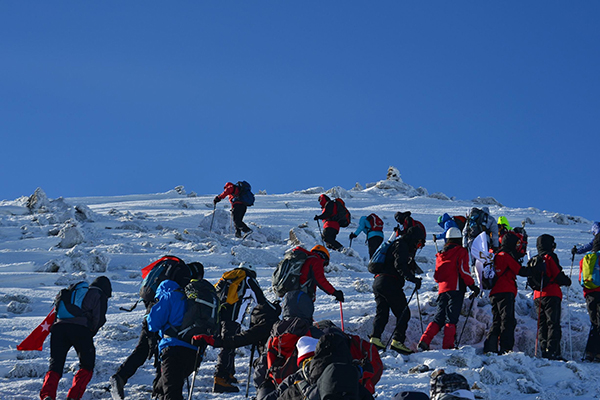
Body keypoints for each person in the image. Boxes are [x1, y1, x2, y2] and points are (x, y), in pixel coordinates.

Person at [109, 260, 204, 400]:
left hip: (154, 311)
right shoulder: (179, 289)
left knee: (147, 349)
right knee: (155, 351)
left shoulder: (172, 279)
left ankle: (124, 378)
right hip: (162, 318)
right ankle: (154, 391)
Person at [40, 276, 112, 400]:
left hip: (58, 329)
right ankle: (73, 397)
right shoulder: (98, 294)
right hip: (80, 330)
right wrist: (90, 332)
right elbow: (99, 319)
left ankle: (47, 395)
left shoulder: (77, 293)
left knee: (55, 365)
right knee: (86, 365)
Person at [418, 228, 479, 351]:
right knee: (451, 319)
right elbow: (464, 271)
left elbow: (436, 277)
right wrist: (473, 286)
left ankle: (424, 341)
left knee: (439, 318)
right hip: (456, 289)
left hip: (442, 290)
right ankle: (448, 347)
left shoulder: (440, 254)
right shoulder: (461, 251)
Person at [146, 277, 206, 400]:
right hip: (194, 351)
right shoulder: (191, 299)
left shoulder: (169, 296)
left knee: (171, 393)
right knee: (163, 388)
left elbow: (153, 324)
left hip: (173, 350)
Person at [213, 263, 268, 393]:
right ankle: (220, 379)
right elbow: (260, 300)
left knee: (228, 344)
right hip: (233, 318)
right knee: (228, 345)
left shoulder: (228, 277)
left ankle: (229, 374)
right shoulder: (248, 279)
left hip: (219, 316)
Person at [370, 226, 424, 354]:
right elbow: (400, 265)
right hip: (390, 282)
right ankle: (397, 341)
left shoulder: (395, 244)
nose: (418, 246)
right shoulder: (402, 245)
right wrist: (412, 279)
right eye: (419, 243)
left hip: (378, 281)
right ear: (414, 239)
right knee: (404, 313)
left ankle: (375, 339)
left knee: (382, 313)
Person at [532, 234, 572, 360]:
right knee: (553, 324)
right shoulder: (550, 256)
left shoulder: (535, 258)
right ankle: (553, 352)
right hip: (551, 294)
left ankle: (544, 351)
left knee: (543, 324)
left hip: (537, 295)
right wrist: (566, 281)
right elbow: (557, 275)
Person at [482, 232, 523, 354]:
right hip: (506, 290)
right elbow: (519, 270)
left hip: (494, 292)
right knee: (507, 320)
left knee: (497, 320)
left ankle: (490, 347)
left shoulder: (495, 255)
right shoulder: (506, 256)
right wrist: (535, 269)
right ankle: (506, 348)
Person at [578, 236, 600, 362]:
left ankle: (589, 352)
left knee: (594, 323)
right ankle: (598, 353)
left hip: (589, 294)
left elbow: (581, 280)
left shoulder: (585, 259)